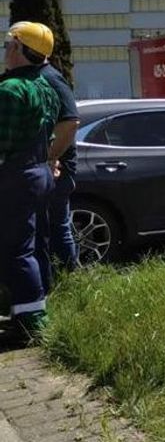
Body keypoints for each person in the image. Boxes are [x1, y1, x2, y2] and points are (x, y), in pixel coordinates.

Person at [1, 22, 61, 339]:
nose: (6, 51)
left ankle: (29, 325)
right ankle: (34, 309)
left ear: (21, 50)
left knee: (15, 251)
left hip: (16, 177)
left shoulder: (10, 90)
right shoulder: (45, 88)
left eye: (9, 45)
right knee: (34, 245)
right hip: (38, 172)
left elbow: (3, 141)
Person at [37, 57, 80, 286]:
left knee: (57, 225)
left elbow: (71, 123)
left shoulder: (50, 78)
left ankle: (66, 280)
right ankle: (54, 280)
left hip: (57, 169)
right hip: (47, 168)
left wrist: (50, 156)